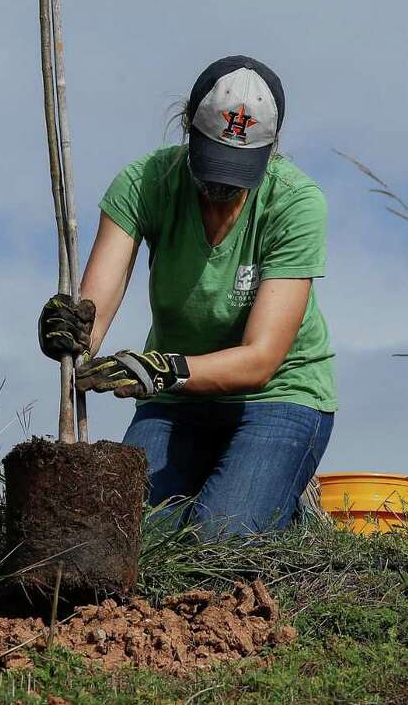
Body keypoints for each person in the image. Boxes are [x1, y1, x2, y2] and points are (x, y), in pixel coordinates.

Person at [38, 56, 335, 538]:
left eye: (239, 170)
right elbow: (93, 311)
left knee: (218, 537)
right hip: (177, 401)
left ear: (270, 150)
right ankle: (231, 489)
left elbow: (261, 360)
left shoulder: (297, 203)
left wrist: (165, 368)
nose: (221, 184)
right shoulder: (145, 183)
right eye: (213, 159)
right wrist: (70, 334)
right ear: (187, 129)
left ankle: (285, 503)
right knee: (128, 534)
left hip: (278, 396)